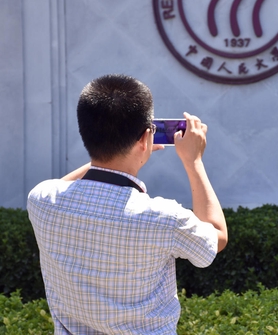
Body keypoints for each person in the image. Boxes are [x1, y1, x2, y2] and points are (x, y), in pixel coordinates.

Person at [27, 74, 228, 334]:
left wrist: (119, 151)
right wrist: (194, 161)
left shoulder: (42, 200)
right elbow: (216, 237)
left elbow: (63, 184)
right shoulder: (164, 217)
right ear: (146, 138)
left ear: (84, 131)